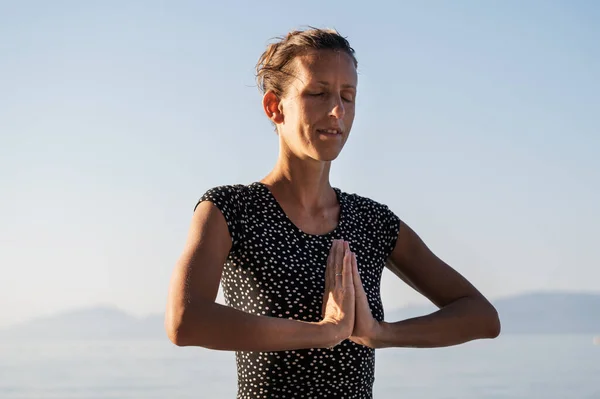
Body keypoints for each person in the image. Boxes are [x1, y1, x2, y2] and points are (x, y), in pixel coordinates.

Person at [165, 27, 500, 399]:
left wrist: (380, 334)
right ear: (275, 107)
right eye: (318, 93)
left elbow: (481, 317)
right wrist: (324, 332)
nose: (337, 110)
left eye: (348, 96)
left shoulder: (372, 222)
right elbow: (185, 320)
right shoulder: (231, 210)